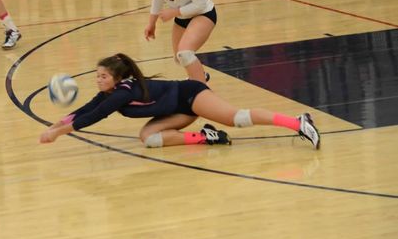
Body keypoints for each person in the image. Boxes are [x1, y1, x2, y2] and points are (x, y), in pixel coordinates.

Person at [39, 53, 321, 150]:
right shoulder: (112, 91)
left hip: (190, 94)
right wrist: (55, 127)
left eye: (102, 76)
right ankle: (206, 137)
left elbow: (95, 116)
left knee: (238, 118)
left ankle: (298, 122)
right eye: (97, 76)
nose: (98, 80)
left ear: (116, 77)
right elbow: (86, 109)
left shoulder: (123, 92)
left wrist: (58, 134)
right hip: (178, 110)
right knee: (149, 138)